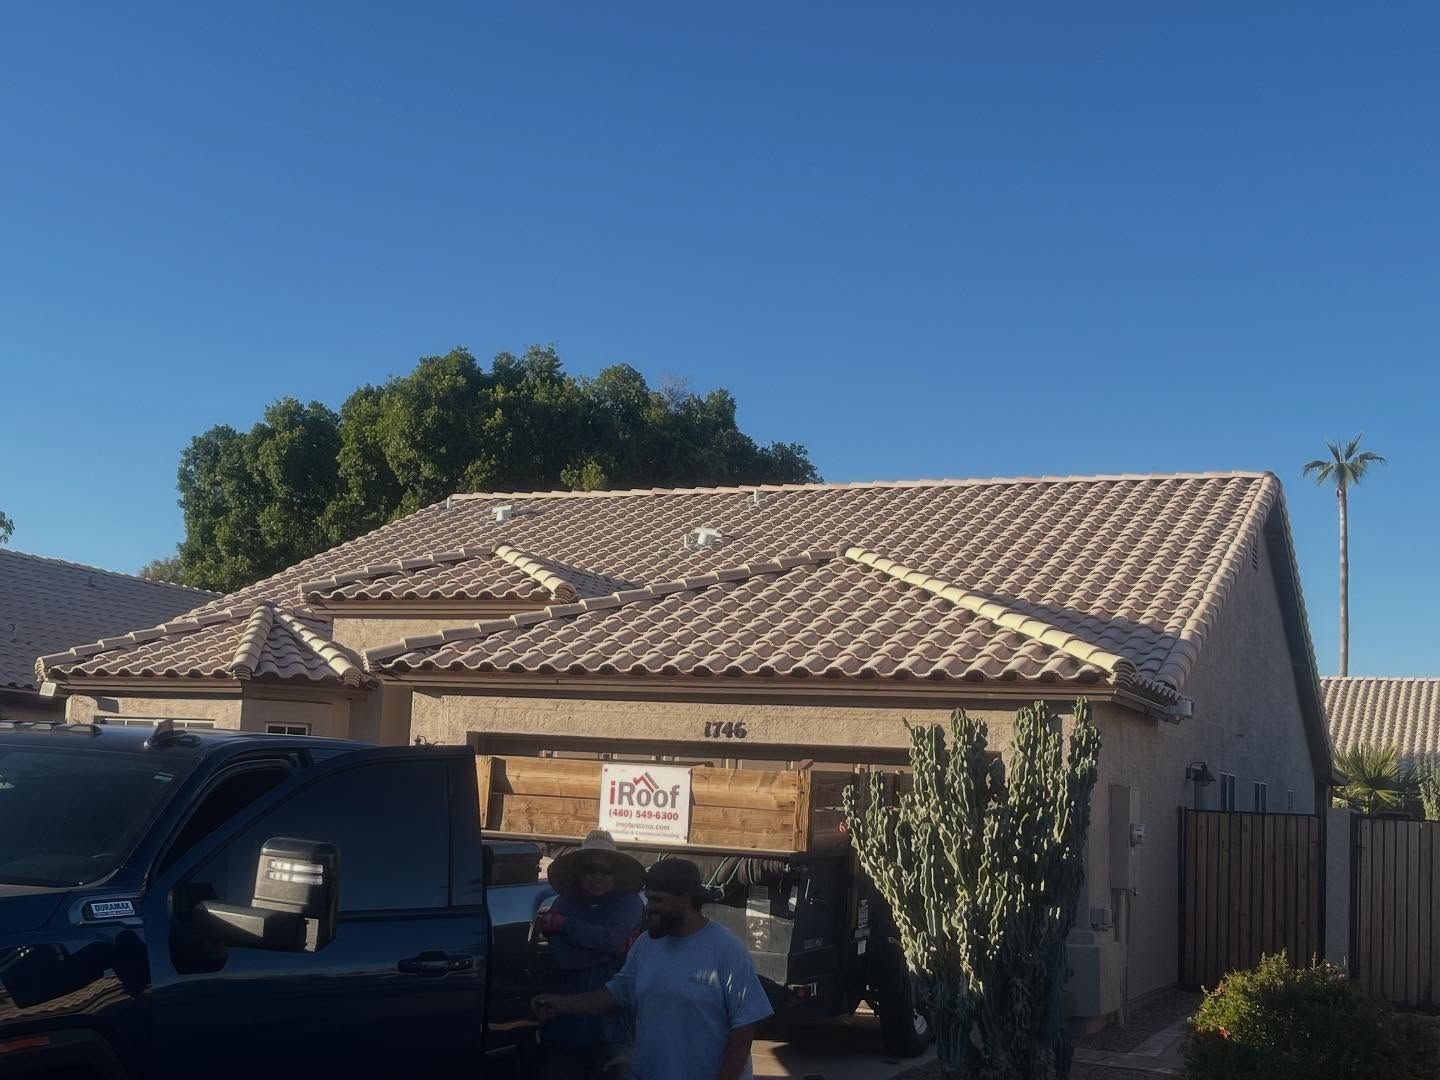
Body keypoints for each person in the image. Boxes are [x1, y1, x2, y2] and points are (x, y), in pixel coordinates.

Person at [533, 858, 774, 1080]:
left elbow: (744, 1026)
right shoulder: (646, 945)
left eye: (658, 900)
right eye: (648, 899)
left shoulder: (725, 949)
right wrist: (561, 1004)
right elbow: (614, 994)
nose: (649, 908)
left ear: (685, 900)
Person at [537, 830, 646, 1080]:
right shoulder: (563, 904)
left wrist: (566, 926)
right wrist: (611, 953)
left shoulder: (630, 904)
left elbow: (614, 939)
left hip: (615, 1025)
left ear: (615, 875)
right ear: (578, 874)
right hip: (566, 1024)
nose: (597, 877)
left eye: (605, 871)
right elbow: (563, 957)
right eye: (590, 870)